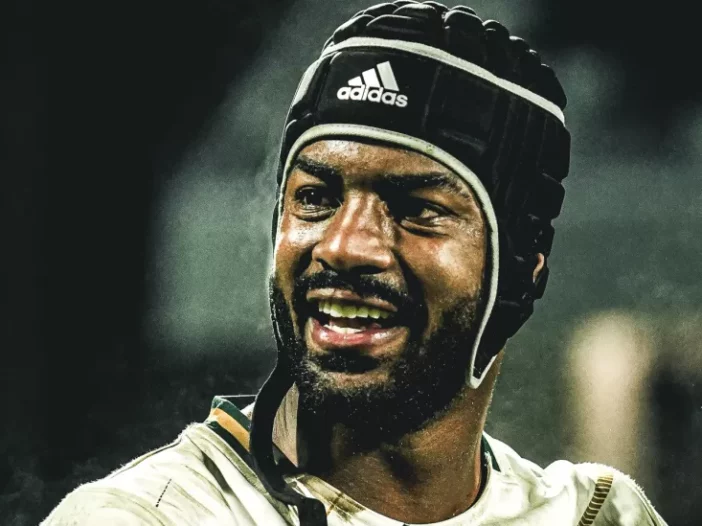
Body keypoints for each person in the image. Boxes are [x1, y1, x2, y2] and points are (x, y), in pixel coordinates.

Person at [42, 2, 667, 525]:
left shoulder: (597, 515)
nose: (343, 246)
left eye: (417, 208)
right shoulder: (152, 517)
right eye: (316, 197)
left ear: (522, 273)